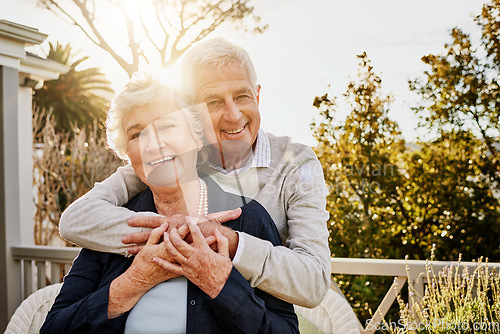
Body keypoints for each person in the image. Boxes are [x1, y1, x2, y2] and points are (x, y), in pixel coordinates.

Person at [59, 37, 331, 308]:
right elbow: (76, 219)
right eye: (213, 101)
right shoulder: (175, 159)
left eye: (242, 96)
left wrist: (231, 242)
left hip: (265, 311)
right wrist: (176, 231)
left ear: (257, 96)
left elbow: (314, 283)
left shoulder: (296, 163)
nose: (234, 115)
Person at [41, 75, 299, 333]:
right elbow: (53, 328)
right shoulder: (110, 225)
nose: (153, 144)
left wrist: (221, 285)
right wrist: (134, 281)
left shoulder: (247, 218)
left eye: (166, 127)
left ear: (197, 138)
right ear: (127, 154)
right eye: (137, 134)